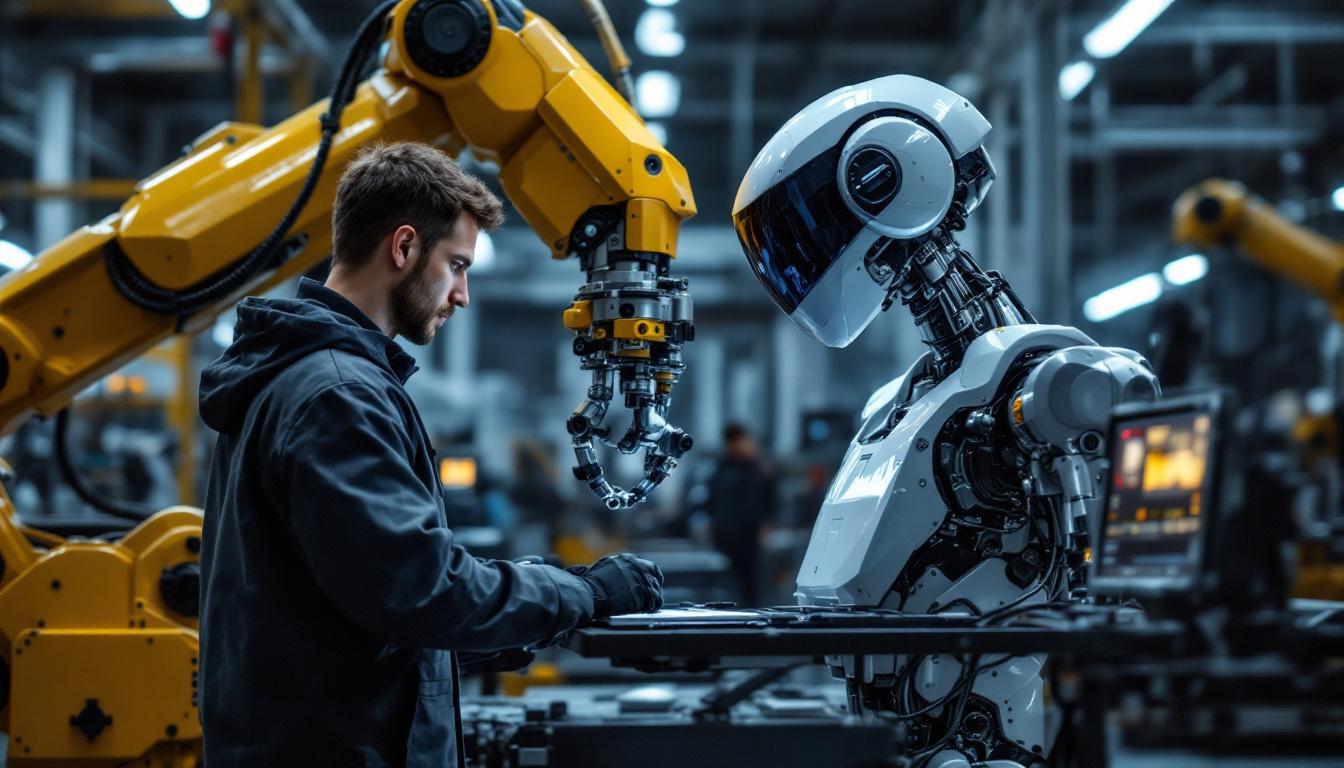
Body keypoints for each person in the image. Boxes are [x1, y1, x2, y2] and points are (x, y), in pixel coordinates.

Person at [197, 142, 664, 767]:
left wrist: (551, 593)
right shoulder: (337, 395)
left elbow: (366, 617)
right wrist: (588, 596)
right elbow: (420, 593)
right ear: (404, 247)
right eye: (458, 265)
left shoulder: (310, 379)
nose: (463, 294)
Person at [702, 423, 776, 606]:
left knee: (751, 581)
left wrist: (767, 524)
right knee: (727, 581)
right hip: (725, 533)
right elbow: (711, 498)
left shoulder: (758, 468)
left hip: (749, 534)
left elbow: (770, 498)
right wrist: (710, 521)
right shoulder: (721, 468)